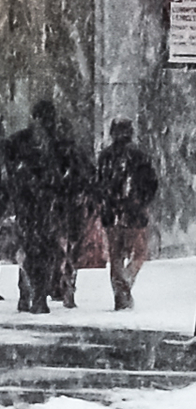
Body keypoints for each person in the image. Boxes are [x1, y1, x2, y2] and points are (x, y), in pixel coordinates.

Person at [8, 100, 88, 313]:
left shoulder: (20, 142)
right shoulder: (57, 143)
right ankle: (37, 295)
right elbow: (75, 172)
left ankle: (29, 293)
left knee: (32, 250)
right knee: (43, 251)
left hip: (31, 205)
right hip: (47, 206)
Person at [95, 119, 160, 313]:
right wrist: (142, 200)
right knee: (139, 252)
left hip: (111, 212)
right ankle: (126, 282)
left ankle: (119, 292)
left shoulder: (105, 156)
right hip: (134, 212)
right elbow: (151, 182)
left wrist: (106, 203)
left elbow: (99, 183)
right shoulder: (139, 155)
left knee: (116, 254)